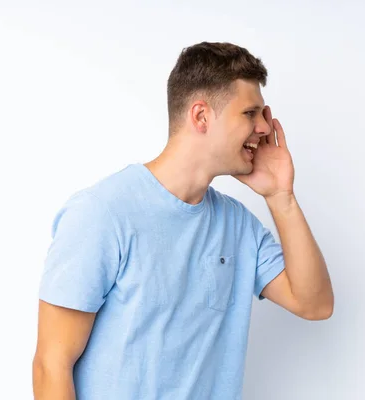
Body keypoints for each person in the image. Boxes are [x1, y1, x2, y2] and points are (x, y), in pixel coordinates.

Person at [32, 41, 334, 400]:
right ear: (201, 116)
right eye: (250, 113)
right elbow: (51, 365)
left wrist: (281, 199)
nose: (264, 128)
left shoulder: (238, 226)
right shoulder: (102, 213)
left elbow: (315, 304)